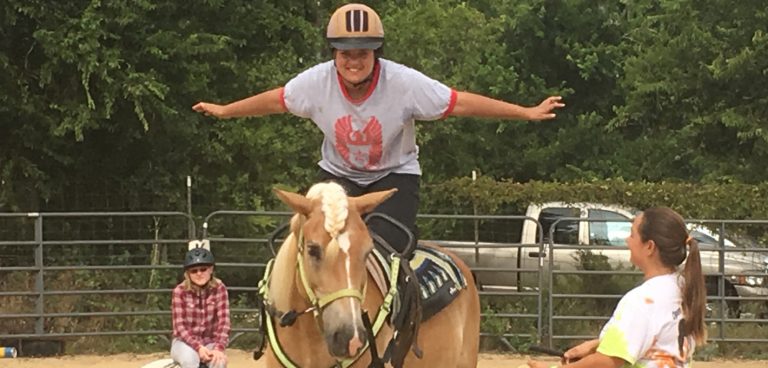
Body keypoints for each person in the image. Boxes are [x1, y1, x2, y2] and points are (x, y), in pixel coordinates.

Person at [192, 3, 565, 253]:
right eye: (345, 53)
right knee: (309, 241)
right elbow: (275, 100)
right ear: (333, 54)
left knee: (389, 247)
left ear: (376, 54)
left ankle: (394, 327)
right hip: (337, 175)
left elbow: (461, 102)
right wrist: (227, 111)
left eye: (362, 53)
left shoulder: (404, 84)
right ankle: (297, 325)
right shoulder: (315, 83)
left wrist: (525, 112)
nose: (353, 61)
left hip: (394, 176)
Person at [527, 207, 707, 368]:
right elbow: (652, 336)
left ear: (650, 247)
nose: (627, 240)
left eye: (632, 234)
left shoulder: (642, 300)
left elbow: (608, 362)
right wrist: (598, 344)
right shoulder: (681, 287)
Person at [171, 247, 231, 368]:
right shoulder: (179, 291)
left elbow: (224, 322)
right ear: (188, 274)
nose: (199, 273)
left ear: (211, 270)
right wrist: (198, 348)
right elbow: (180, 327)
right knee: (190, 361)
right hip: (185, 343)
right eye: (194, 271)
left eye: (203, 269)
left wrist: (218, 348)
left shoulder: (219, 288)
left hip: (211, 342)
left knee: (219, 362)